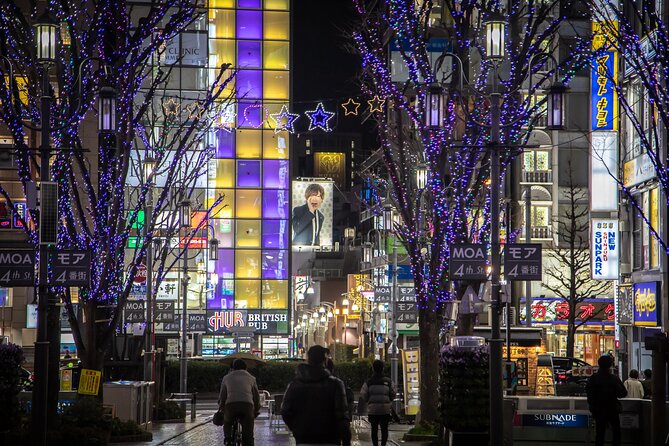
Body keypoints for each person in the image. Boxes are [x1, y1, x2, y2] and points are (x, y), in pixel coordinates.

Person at [281, 345, 351, 446]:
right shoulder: (335, 384)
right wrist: (346, 441)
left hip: (303, 439)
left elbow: (285, 411)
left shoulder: (295, 385)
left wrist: (298, 428)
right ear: (325, 360)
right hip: (330, 439)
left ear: (308, 360)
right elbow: (342, 416)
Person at [586, 355, 627, 446]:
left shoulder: (594, 378)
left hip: (598, 410)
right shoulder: (614, 378)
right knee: (616, 433)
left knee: (600, 435)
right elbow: (623, 393)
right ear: (610, 365)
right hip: (612, 409)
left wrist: (593, 408)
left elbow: (590, 395)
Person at [218, 359, 260, 446]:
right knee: (248, 432)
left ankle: (227, 439)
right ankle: (248, 442)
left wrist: (221, 405)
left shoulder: (227, 377)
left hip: (230, 406)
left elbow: (223, 395)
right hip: (247, 406)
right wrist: (256, 408)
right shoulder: (251, 378)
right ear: (246, 368)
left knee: (228, 422)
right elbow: (256, 395)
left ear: (233, 368)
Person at [359, 360, 395, 446]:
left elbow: (363, 394)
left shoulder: (368, 382)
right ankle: (383, 445)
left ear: (373, 369)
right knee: (384, 429)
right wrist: (388, 400)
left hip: (373, 410)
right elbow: (393, 394)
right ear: (383, 369)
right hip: (385, 410)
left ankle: (375, 445)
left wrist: (369, 401)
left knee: (374, 429)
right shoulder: (388, 381)